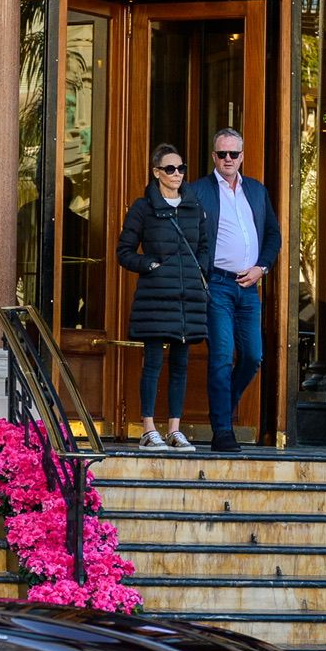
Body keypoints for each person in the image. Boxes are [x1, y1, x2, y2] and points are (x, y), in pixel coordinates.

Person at [192, 128, 282, 454]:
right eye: (222, 154)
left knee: (253, 356)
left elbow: (273, 235)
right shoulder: (199, 191)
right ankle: (222, 430)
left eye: (233, 154)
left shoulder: (256, 191)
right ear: (213, 157)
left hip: (249, 288)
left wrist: (263, 268)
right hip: (216, 284)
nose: (228, 159)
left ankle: (222, 410)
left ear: (242, 156)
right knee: (220, 357)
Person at [115, 143, 208, 453]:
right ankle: (148, 428)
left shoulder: (194, 206)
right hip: (156, 298)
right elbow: (124, 252)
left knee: (181, 364)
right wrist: (149, 264)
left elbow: (205, 247)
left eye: (181, 168)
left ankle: (175, 430)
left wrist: (200, 271)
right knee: (153, 363)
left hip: (187, 299)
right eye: (170, 169)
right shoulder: (143, 208)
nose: (177, 174)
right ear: (156, 173)